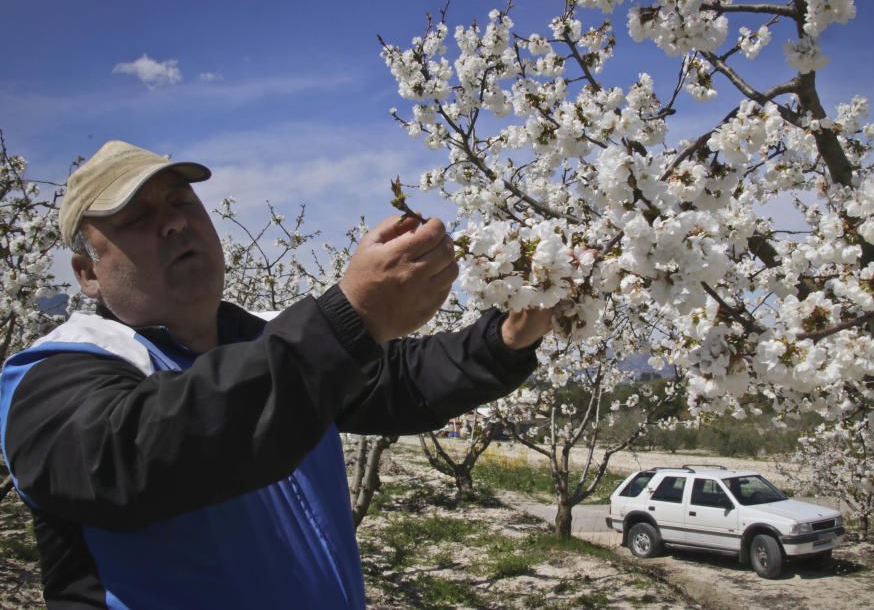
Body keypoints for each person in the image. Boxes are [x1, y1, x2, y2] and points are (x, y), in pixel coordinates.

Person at [0, 139, 551, 609]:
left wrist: (504, 340)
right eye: (136, 218)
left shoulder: (271, 336)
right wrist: (348, 321)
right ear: (86, 274)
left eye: (181, 200)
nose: (173, 222)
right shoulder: (52, 375)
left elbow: (398, 378)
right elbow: (140, 448)